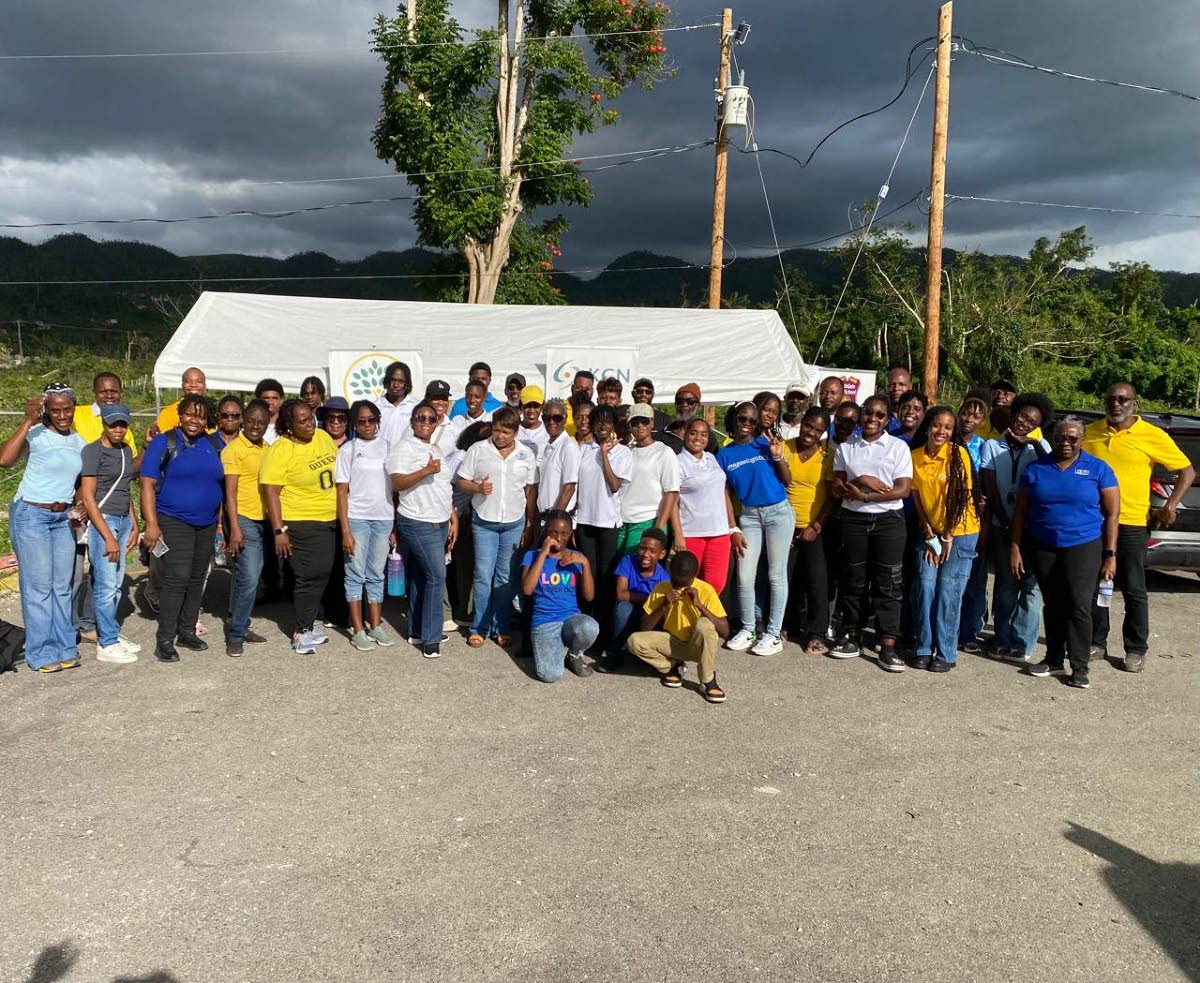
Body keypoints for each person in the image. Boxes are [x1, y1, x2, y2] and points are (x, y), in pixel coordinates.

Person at [1084, 382, 1195, 672]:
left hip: (1133, 523)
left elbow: (1187, 471)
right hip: (1094, 522)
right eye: (1111, 399)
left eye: (1123, 399)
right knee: (1097, 584)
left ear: (1135, 403)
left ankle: (1135, 648)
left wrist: (1170, 504)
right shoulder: (1091, 433)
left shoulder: (1152, 435)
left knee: (1134, 588)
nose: (1116, 404)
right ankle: (1097, 642)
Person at [1012, 417, 1119, 689]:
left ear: (1081, 440)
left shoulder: (1098, 468)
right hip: (1044, 544)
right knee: (1053, 603)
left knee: (1079, 604)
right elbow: (1021, 513)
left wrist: (1110, 554)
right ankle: (1053, 658)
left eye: (1072, 438)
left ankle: (1080, 666)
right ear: (1053, 439)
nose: (1066, 443)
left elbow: (1112, 514)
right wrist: (1015, 547)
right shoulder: (1037, 468)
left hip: (1083, 544)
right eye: (1061, 437)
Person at [1, 383, 87, 672]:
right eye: (56, 410)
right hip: (31, 515)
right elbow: (4, 459)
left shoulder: (78, 441)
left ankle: (65, 647)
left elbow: (78, 482)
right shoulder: (36, 434)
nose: (63, 415)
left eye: (67, 409)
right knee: (38, 588)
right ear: (46, 411)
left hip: (62, 518)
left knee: (62, 587)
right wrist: (27, 421)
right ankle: (41, 653)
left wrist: (80, 504)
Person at [140, 394, 224, 664]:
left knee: (198, 577)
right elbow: (146, 484)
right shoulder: (165, 441)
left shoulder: (213, 443)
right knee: (177, 579)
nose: (194, 420)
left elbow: (221, 485)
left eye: (200, 416)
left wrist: (220, 522)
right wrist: (151, 524)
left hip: (207, 522)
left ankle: (187, 631)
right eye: (189, 414)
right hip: (173, 519)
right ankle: (165, 639)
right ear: (180, 414)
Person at [830, 394, 913, 669]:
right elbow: (837, 487)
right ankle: (851, 635)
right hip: (853, 519)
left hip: (888, 520)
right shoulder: (846, 446)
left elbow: (903, 489)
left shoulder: (897, 447)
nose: (872, 419)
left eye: (880, 415)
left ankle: (887, 643)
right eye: (868, 413)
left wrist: (866, 497)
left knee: (888, 583)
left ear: (888, 419)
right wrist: (861, 480)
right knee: (854, 579)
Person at [260, 399, 340, 655]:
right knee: (307, 575)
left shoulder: (323, 437)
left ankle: (309, 622)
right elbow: (271, 492)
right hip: (300, 519)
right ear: (289, 425)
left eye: (311, 417)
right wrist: (279, 530)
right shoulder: (281, 449)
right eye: (302, 420)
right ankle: (301, 630)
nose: (310, 424)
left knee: (322, 573)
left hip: (329, 517)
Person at [455, 406, 537, 647]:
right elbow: (462, 481)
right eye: (497, 430)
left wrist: (530, 522)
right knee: (483, 575)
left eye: (506, 431)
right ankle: (479, 627)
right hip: (485, 522)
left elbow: (530, 490)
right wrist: (478, 489)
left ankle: (500, 626)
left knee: (505, 577)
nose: (500, 436)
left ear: (515, 431)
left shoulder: (526, 454)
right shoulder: (478, 450)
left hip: (513, 522)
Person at [908, 407, 982, 672]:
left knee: (948, 592)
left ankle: (946, 652)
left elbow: (962, 497)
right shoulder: (915, 457)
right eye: (937, 426)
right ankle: (923, 647)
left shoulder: (957, 454)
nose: (942, 431)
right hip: (932, 533)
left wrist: (948, 536)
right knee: (926, 586)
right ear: (928, 427)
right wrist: (929, 534)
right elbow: (916, 497)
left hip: (960, 533)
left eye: (948, 428)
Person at [980, 392, 1052, 664]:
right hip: (1002, 525)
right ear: (1014, 415)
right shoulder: (991, 446)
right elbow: (990, 485)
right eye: (1022, 417)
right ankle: (1002, 638)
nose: (1025, 423)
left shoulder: (1041, 447)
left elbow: (1052, 468)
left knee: (1031, 588)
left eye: (1032, 421)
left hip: (1033, 530)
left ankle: (1023, 643)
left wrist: (1036, 442)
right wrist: (1007, 521)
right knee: (1006, 584)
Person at [718, 400, 794, 655]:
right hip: (749, 517)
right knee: (745, 575)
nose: (747, 425)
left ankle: (773, 634)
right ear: (734, 419)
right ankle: (748, 628)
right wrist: (732, 527)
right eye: (743, 419)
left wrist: (778, 455)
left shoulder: (764, 443)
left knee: (775, 574)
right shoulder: (725, 454)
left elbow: (787, 480)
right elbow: (724, 493)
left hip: (778, 512)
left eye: (752, 421)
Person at [389, 400, 458, 657]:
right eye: (421, 417)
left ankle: (417, 630)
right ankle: (431, 637)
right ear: (412, 421)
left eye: (431, 418)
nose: (426, 422)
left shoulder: (437, 448)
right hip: (417, 521)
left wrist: (453, 517)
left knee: (420, 575)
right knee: (436, 576)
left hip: (439, 520)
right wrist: (425, 470)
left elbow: (443, 486)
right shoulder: (403, 448)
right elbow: (397, 482)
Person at [79, 404, 140, 664]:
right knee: (105, 586)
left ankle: (110, 632)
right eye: (113, 423)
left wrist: (135, 523)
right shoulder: (92, 451)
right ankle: (107, 643)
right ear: (104, 422)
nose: (118, 429)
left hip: (123, 519)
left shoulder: (126, 450)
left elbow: (125, 490)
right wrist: (108, 536)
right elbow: (89, 498)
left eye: (123, 424)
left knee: (116, 585)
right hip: (103, 522)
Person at [627, 550, 730, 703]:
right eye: (676, 582)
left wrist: (699, 605)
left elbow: (725, 631)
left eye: (684, 583)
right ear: (670, 572)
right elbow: (644, 627)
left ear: (694, 576)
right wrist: (663, 606)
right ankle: (671, 666)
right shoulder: (662, 588)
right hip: (673, 644)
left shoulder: (705, 590)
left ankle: (708, 680)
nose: (679, 586)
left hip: (698, 646)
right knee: (634, 641)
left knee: (705, 624)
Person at [336, 400, 397, 651]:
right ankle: (358, 630)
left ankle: (375, 625)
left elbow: (395, 489)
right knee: (355, 575)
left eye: (372, 419)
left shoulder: (389, 448)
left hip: (384, 518)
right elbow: (341, 492)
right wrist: (346, 531)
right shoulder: (348, 450)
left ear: (378, 420)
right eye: (362, 421)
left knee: (376, 574)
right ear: (354, 424)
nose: (368, 425)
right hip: (357, 519)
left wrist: (395, 526)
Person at [574, 405, 633, 643]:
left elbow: (614, 485)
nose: (602, 426)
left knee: (606, 576)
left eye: (607, 421)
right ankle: (586, 629)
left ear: (613, 425)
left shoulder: (622, 452)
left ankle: (606, 632)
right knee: (588, 574)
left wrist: (605, 455)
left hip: (608, 521)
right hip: (585, 520)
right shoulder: (583, 449)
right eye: (598, 421)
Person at [520, 510, 599, 681]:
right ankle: (548, 648)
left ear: (570, 534)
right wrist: (543, 554)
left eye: (564, 533)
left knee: (590, 627)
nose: (559, 537)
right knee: (550, 675)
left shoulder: (575, 557)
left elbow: (589, 596)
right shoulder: (532, 555)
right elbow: (527, 589)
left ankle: (574, 656)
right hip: (545, 622)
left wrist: (584, 563)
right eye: (554, 532)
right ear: (546, 532)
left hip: (570, 620)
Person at [781, 407, 835, 654]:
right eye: (808, 426)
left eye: (817, 429)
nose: (810, 432)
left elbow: (832, 497)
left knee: (816, 580)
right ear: (801, 423)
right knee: (786, 577)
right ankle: (787, 625)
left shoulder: (828, 456)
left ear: (824, 433)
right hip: (785, 525)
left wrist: (816, 526)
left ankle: (817, 632)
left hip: (814, 526)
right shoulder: (785, 447)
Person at [222, 399, 272, 657]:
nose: (255, 426)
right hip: (243, 518)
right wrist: (234, 528)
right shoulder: (233, 451)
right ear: (243, 421)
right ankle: (236, 635)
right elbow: (230, 492)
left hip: (264, 520)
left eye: (261, 422)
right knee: (249, 578)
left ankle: (239, 621)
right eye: (251, 420)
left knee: (246, 577)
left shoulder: (268, 448)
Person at [670, 418, 734, 595]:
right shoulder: (677, 462)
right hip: (692, 534)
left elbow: (722, 492)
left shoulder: (711, 458)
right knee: (688, 584)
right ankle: (686, 622)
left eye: (704, 434)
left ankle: (706, 622)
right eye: (694, 433)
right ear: (685, 434)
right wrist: (678, 535)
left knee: (715, 586)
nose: (698, 438)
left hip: (719, 534)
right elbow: (672, 501)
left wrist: (732, 526)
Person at [955, 390, 992, 654]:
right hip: (948, 518)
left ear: (982, 421)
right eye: (967, 412)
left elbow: (989, 484)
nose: (970, 418)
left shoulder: (984, 446)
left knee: (974, 579)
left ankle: (969, 631)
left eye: (977, 416)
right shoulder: (947, 440)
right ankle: (949, 629)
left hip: (976, 520)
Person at [605, 526, 669, 668]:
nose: (646, 554)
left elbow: (660, 607)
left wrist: (650, 602)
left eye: (653, 551)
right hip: (631, 609)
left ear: (662, 554)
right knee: (623, 608)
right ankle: (615, 653)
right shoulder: (628, 561)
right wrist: (649, 599)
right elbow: (621, 594)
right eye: (643, 548)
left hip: (649, 615)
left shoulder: (664, 578)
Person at [620, 404, 680, 554]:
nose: (640, 426)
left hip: (647, 520)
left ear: (652, 423)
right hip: (621, 520)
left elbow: (671, 493)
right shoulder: (626, 452)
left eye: (644, 421)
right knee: (618, 571)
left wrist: (658, 528)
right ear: (629, 426)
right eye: (635, 422)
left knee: (635, 570)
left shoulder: (664, 452)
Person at [535, 398, 580, 514]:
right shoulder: (549, 445)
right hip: (543, 515)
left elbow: (569, 487)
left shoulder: (568, 446)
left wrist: (555, 517)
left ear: (565, 419)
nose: (551, 422)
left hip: (556, 520)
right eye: (546, 418)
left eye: (557, 418)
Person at [73, 372, 138, 450]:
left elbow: (130, 460)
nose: (109, 396)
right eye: (103, 392)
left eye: (114, 391)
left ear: (121, 393)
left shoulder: (125, 431)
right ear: (94, 393)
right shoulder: (75, 414)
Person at [153, 367, 207, 436]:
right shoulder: (169, 412)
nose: (193, 385)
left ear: (205, 386)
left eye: (199, 381)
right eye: (188, 381)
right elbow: (161, 439)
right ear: (182, 386)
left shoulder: (212, 412)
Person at [377, 361, 419, 445]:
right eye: (392, 380)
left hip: (406, 456)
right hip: (379, 456)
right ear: (387, 381)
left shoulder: (417, 407)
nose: (396, 385)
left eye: (400, 381)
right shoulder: (375, 407)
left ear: (407, 383)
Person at [517, 385, 550, 457]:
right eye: (528, 406)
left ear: (542, 406)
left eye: (536, 406)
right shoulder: (513, 429)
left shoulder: (549, 431)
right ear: (521, 406)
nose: (532, 410)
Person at [255, 378, 285, 444]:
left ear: (281, 401)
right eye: (266, 398)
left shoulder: (287, 426)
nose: (270, 402)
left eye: (274, 398)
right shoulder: (251, 426)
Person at [885, 366, 912, 432]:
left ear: (910, 386)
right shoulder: (879, 414)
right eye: (891, 385)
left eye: (901, 384)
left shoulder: (919, 416)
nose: (896, 389)